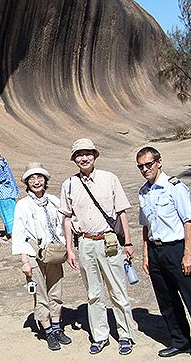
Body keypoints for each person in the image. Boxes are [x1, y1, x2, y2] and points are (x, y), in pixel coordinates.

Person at [136, 146, 191, 362]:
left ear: (159, 162)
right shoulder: (143, 192)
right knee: (167, 300)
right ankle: (180, 341)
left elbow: (188, 222)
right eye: (141, 167)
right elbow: (145, 226)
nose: (145, 169)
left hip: (176, 249)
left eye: (148, 164)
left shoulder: (175, 187)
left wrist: (187, 254)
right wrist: (146, 254)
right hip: (155, 250)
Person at [59, 138, 136, 356]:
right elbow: (67, 218)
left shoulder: (110, 178)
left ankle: (126, 335)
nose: (84, 158)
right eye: (79, 155)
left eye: (88, 154)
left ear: (95, 156)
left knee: (118, 290)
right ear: (74, 159)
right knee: (93, 293)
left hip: (109, 241)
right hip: (84, 242)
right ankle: (100, 335)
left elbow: (121, 213)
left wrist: (128, 242)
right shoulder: (69, 185)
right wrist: (70, 249)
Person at [11, 162, 72, 351]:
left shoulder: (54, 200)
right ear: (27, 183)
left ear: (45, 180)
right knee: (40, 293)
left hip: (53, 253)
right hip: (33, 254)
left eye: (39, 178)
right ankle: (47, 331)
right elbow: (19, 232)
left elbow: (64, 225)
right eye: (32, 179)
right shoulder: (22, 204)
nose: (36, 181)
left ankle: (56, 327)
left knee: (56, 291)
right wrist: (24, 261)